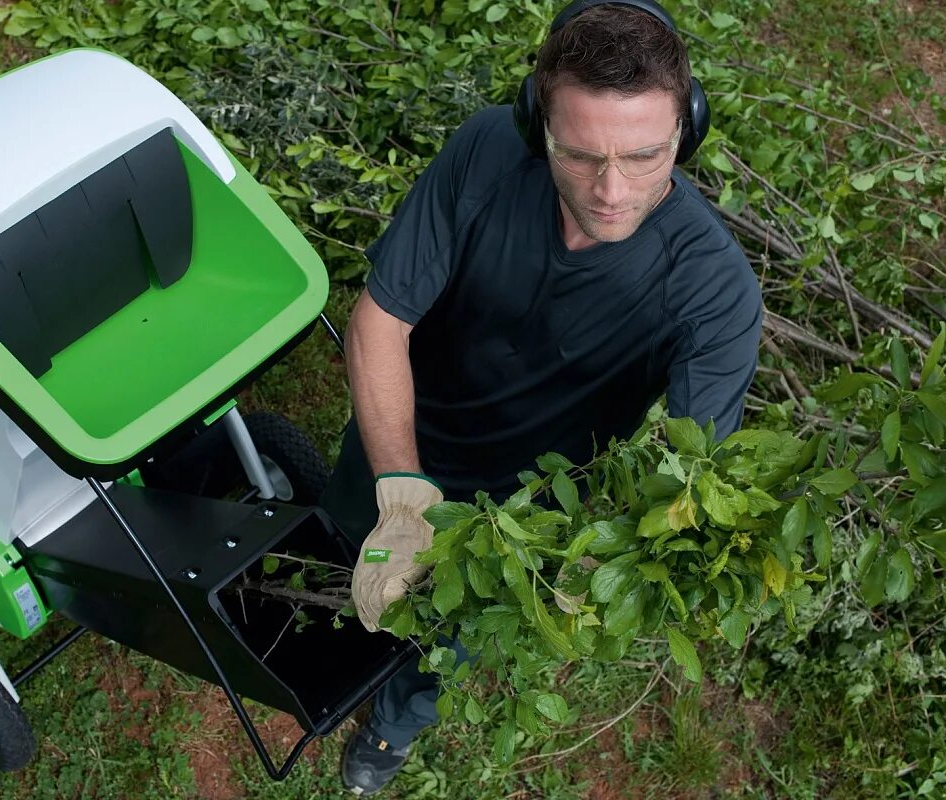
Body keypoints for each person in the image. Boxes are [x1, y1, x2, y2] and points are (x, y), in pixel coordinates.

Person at [320, 0, 763, 795]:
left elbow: (685, 485)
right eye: (579, 154)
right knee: (342, 544)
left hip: (522, 519)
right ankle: (331, 633)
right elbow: (381, 319)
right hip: (397, 442)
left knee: (451, 642)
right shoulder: (488, 149)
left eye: (645, 154)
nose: (612, 190)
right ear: (537, 125)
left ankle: (394, 725)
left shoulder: (714, 292)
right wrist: (398, 491)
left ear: (686, 132)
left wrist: (584, 562)